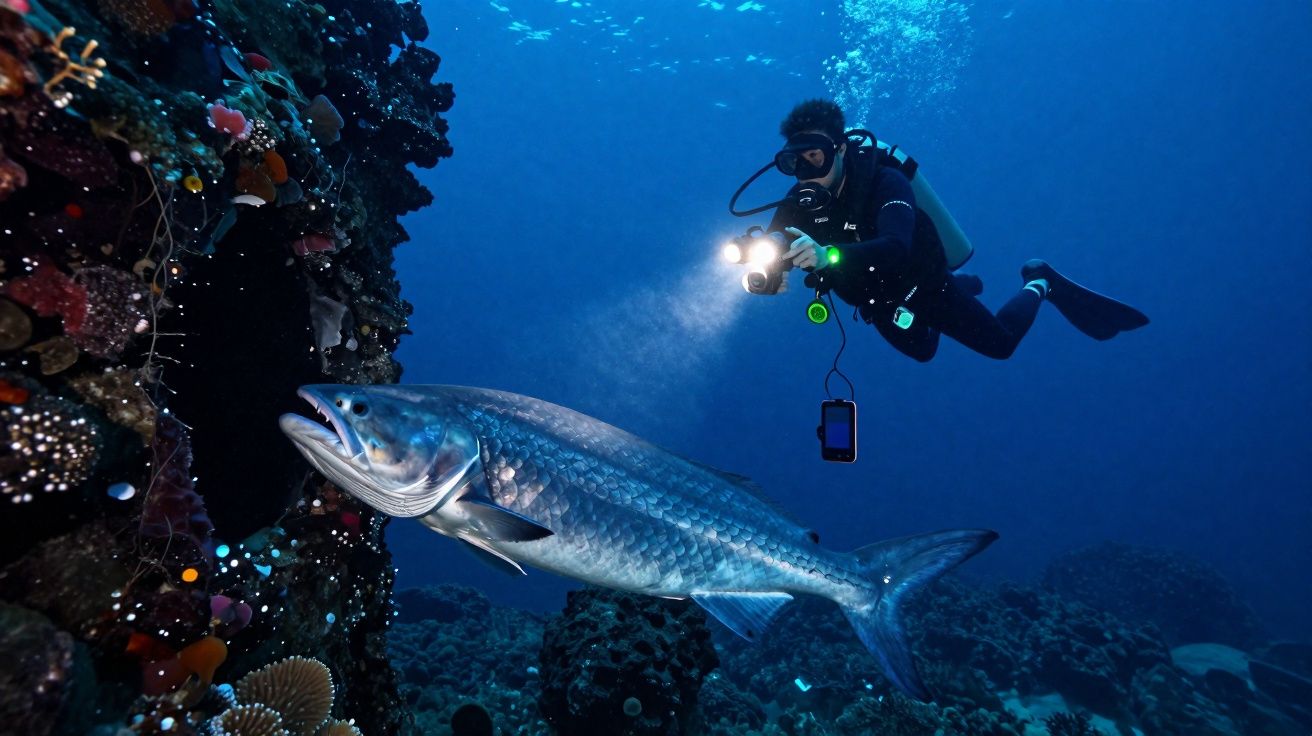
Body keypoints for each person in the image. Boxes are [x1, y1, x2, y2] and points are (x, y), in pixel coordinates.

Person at [762, 99, 1147, 362]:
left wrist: (830, 254)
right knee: (925, 351)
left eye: (817, 157)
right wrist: (772, 271)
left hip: (925, 285)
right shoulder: (798, 200)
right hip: (878, 303)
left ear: (841, 149)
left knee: (1001, 345)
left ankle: (1039, 281)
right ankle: (966, 284)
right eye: (795, 162)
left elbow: (896, 247)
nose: (806, 173)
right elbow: (778, 241)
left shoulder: (885, 183)